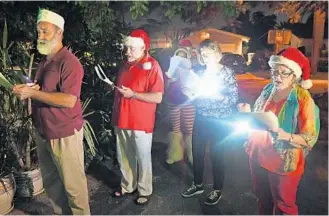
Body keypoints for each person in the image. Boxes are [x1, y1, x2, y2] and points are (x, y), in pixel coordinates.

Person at [12, 9, 90, 215]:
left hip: (64, 135)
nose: (40, 36)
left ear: (59, 33)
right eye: (39, 32)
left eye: (45, 32)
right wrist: (30, 88)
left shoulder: (70, 63)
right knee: (52, 185)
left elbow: (68, 100)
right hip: (43, 132)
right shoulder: (45, 61)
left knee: (74, 188)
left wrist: (33, 94)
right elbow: (44, 89)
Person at [238, 47, 320, 215]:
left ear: (295, 76)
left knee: (284, 206)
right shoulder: (269, 89)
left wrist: (286, 135)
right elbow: (261, 114)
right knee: (262, 199)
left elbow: (309, 137)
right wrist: (248, 111)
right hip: (258, 153)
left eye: (284, 73)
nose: (277, 77)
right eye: (275, 72)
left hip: (283, 161)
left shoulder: (303, 99)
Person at [181, 39, 239, 205]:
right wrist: (190, 95)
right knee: (197, 153)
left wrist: (219, 96)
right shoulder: (199, 73)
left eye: (208, 54)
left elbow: (234, 98)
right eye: (202, 54)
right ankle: (198, 184)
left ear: (217, 53)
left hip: (220, 121)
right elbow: (196, 98)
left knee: (217, 156)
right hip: (201, 118)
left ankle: (217, 189)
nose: (205, 57)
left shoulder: (227, 73)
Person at [111, 29, 164, 205]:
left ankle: (144, 190)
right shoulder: (125, 65)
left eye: (132, 48)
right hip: (121, 118)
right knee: (124, 155)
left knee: (142, 156)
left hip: (141, 121)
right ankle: (128, 186)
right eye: (127, 48)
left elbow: (158, 97)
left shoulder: (152, 65)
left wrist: (133, 94)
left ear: (143, 48)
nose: (128, 52)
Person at [164, 39, 195, 165]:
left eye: (185, 53)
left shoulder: (193, 68)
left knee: (189, 129)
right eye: (179, 55)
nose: (181, 57)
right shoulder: (170, 69)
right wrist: (169, 81)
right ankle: (175, 154)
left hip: (189, 101)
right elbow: (164, 88)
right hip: (173, 101)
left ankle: (192, 154)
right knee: (175, 128)